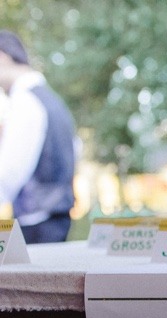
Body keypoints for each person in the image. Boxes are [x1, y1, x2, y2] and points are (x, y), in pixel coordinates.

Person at [0, 30, 76, 243]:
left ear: (2, 57)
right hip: (55, 219)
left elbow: (9, 172)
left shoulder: (25, 101)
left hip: (35, 225)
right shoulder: (50, 100)